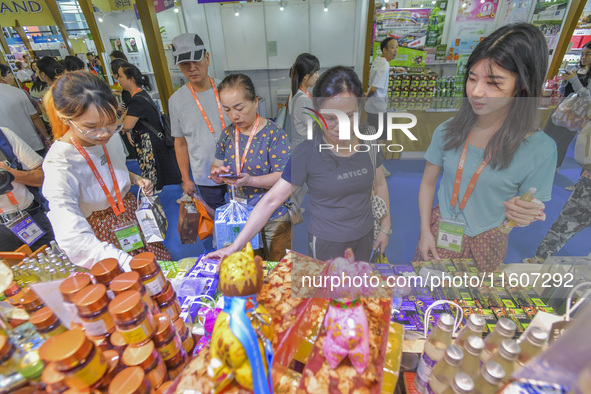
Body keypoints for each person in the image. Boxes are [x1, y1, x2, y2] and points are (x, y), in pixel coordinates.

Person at [207, 66, 391, 262]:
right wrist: (236, 245)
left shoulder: (369, 141)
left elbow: (379, 184)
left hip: (363, 236)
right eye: (330, 118)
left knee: (356, 289)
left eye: (350, 116)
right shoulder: (307, 153)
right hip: (326, 242)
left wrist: (385, 227)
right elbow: (271, 200)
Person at [416, 23, 557, 272]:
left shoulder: (540, 149)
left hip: (489, 239)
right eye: (472, 78)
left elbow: (529, 206)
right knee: (423, 297)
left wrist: (525, 213)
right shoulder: (448, 130)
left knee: (476, 304)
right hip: (442, 232)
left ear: (522, 85)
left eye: (494, 83)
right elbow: (428, 183)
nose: (476, 92)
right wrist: (425, 231)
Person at [41, 71, 171, 270]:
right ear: (66, 119)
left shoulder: (107, 135)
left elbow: (107, 169)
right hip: (100, 234)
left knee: (158, 271)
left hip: (128, 213)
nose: (104, 135)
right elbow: (71, 235)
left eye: (111, 125)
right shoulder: (60, 162)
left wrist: (134, 178)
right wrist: (123, 262)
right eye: (91, 128)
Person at [209, 74, 291, 261]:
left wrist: (252, 181)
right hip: (240, 217)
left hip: (273, 216)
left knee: (277, 267)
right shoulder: (228, 133)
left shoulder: (274, 134)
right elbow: (217, 164)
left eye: (239, 108)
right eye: (227, 110)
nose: (234, 116)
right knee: (249, 268)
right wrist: (217, 174)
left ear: (255, 102)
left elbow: (283, 176)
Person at [169, 33, 230, 209]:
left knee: (244, 219)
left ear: (207, 58)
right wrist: (186, 179)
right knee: (216, 219)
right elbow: (180, 143)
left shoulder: (227, 89)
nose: (192, 68)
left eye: (196, 61)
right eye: (185, 64)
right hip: (204, 175)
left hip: (236, 170)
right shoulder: (176, 101)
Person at [117, 62, 181, 193]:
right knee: (170, 172)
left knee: (150, 178)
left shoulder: (136, 100)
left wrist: (117, 120)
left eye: (120, 76)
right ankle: (188, 196)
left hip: (149, 144)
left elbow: (127, 126)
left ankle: (152, 206)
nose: (118, 80)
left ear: (131, 79)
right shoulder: (141, 95)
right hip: (155, 140)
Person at [0, 127, 54, 252]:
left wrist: (10, 173)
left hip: (30, 216)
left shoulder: (3, 136)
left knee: (56, 262)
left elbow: (42, 177)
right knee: (11, 271)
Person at [544, 41, 591, 171]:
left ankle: (555, 166)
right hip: (562, 108)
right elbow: (562, 92)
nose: (584, 57)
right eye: (582, 54)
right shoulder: (576, 70)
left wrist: (574, 80)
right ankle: (543, 162)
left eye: (588, 54)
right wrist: (564, 82)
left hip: (575, 113)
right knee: (548, 135)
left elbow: (587, 96)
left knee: (561, 141)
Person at [287, 53, 319, 213]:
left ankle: (294, 208)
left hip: (300, 144)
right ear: (306, 76)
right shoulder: (302, 98)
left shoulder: (297, 94)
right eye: (316, 72)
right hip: (303, 145)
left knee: (301, 182)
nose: (317, 76)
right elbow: (313, 125)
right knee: (301, 182)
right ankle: (291, 209)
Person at [0, 68, 50, 156]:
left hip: (11, 151)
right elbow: (35, 117)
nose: (13, 77)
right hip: (33, 143)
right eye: (10, 74)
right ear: (2, 77)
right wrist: (47, 137)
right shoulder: (18, 92)